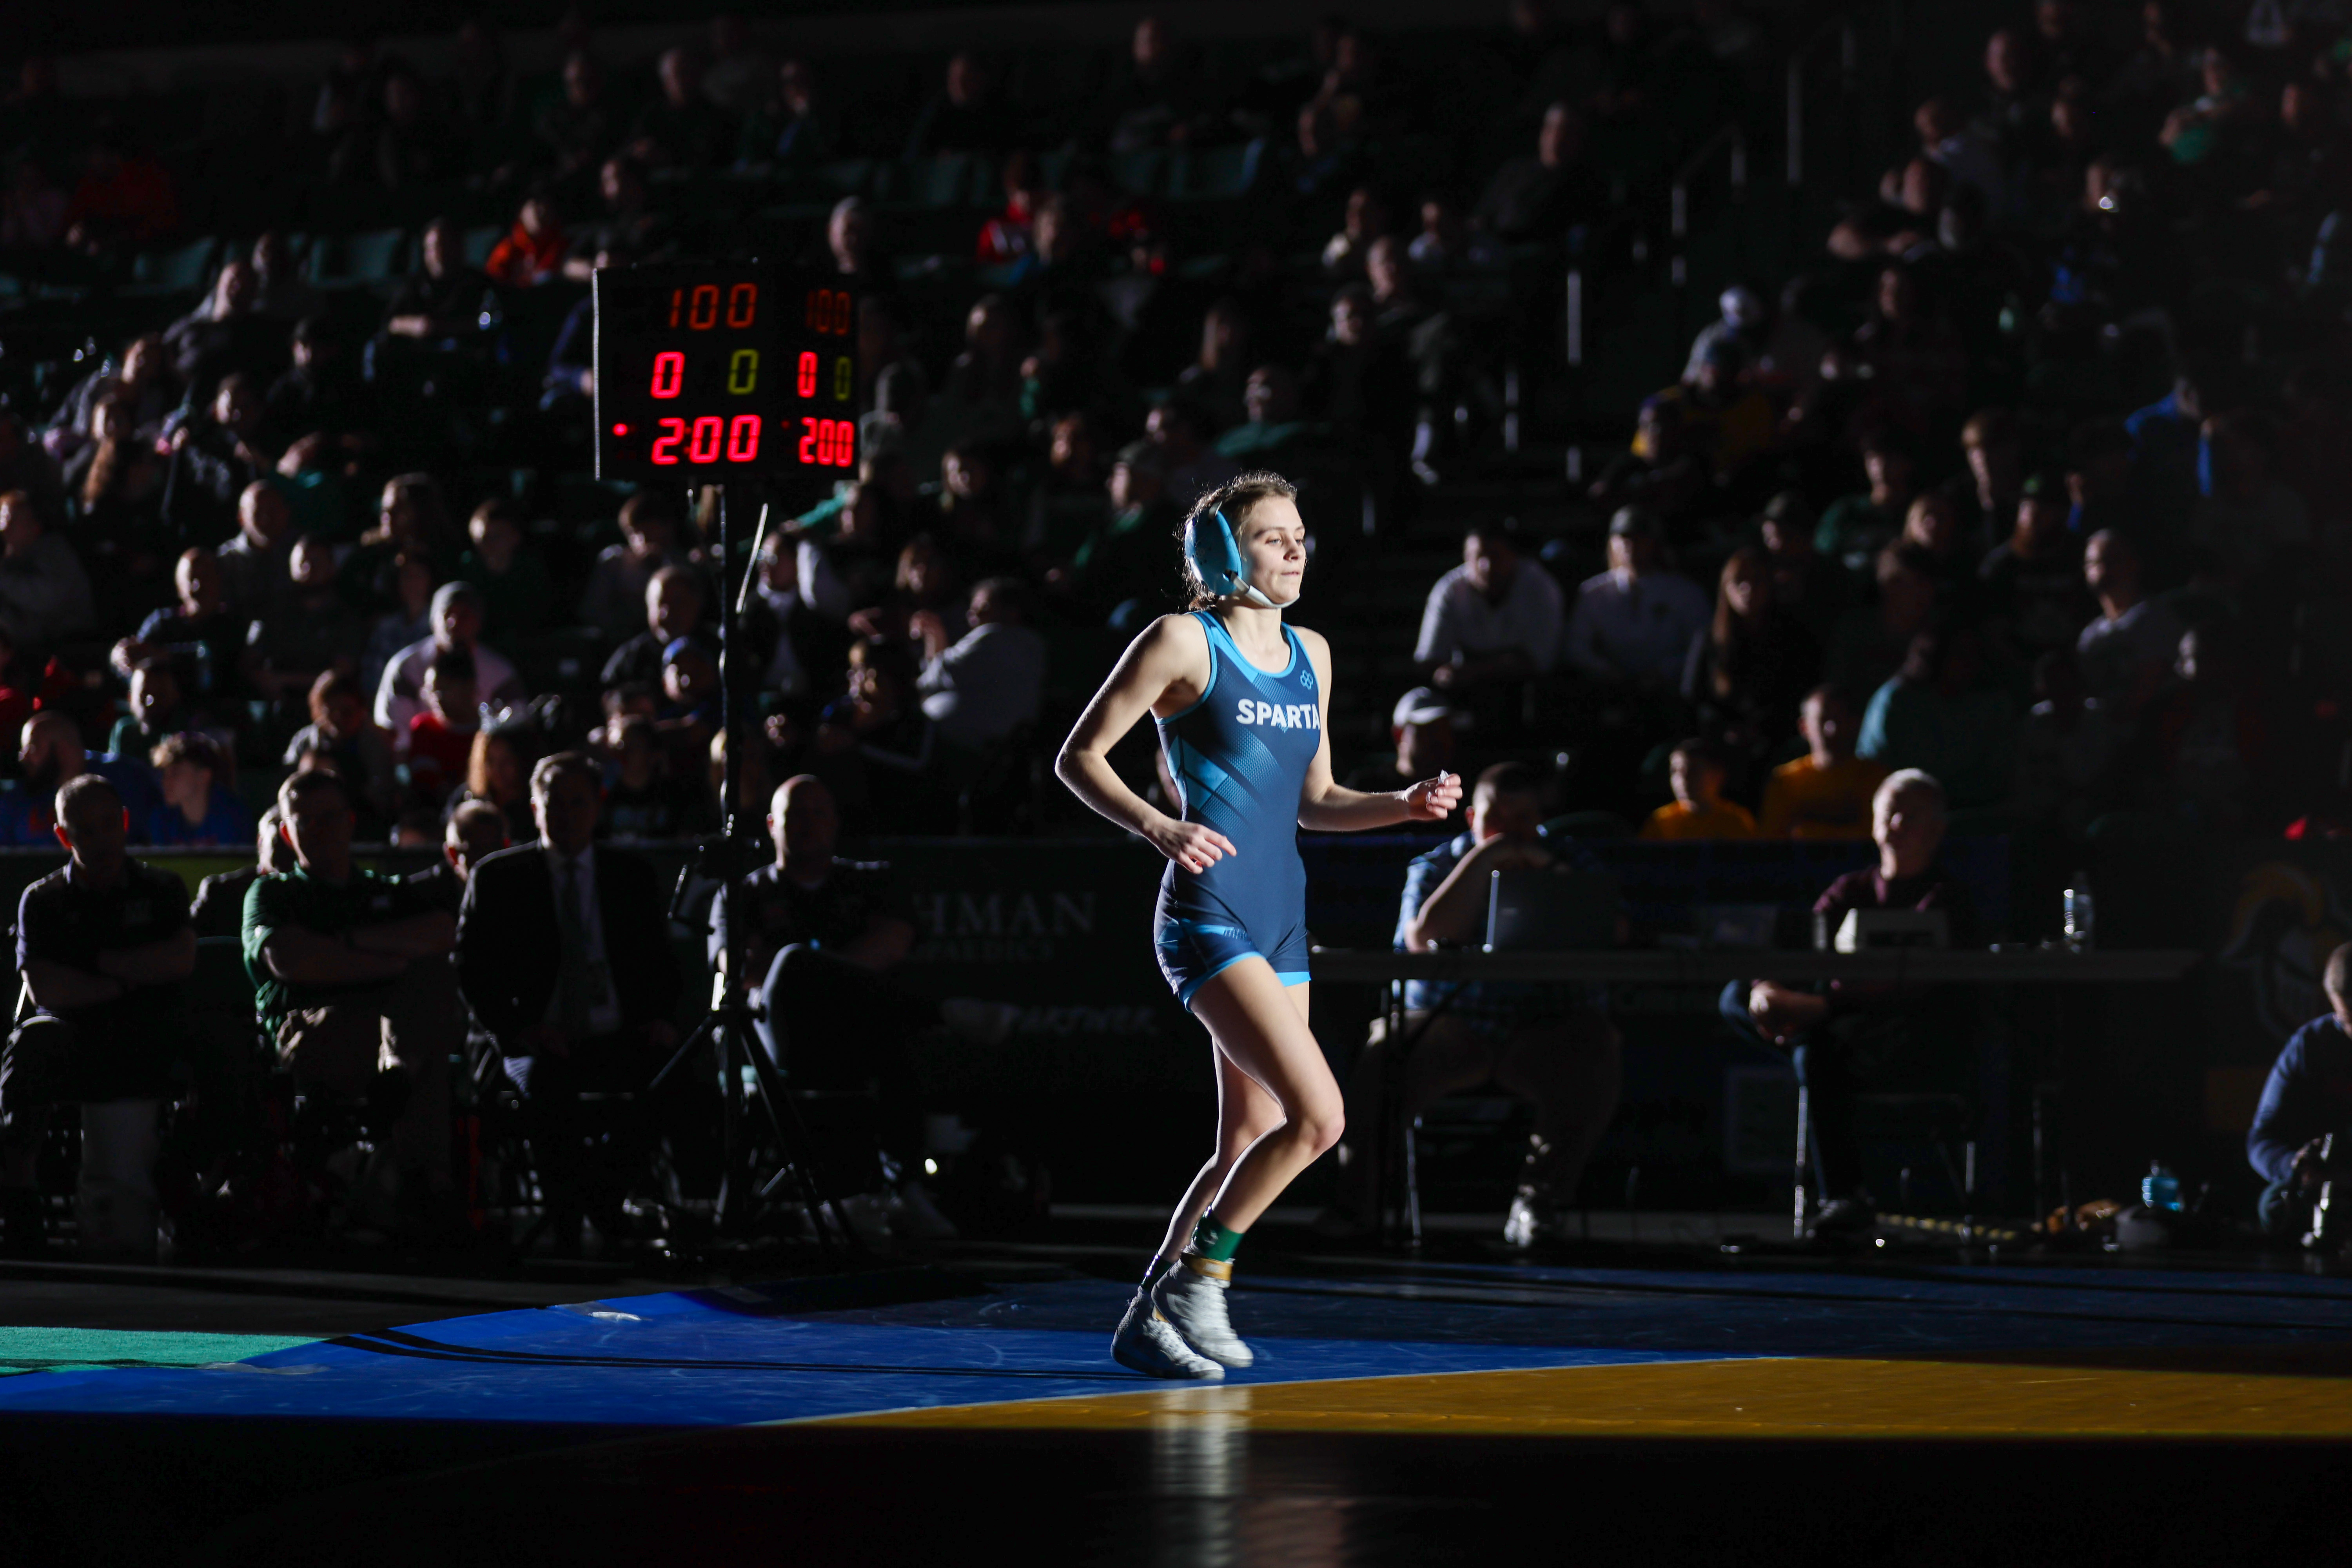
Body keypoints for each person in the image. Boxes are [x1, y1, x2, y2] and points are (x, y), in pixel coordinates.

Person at [1055, 471, 1462, 1381]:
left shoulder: (1310, 651)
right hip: (1210, 914)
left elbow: (1316, 802)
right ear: (1223, 555)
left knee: (1247, 1142)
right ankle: (1201, 1277)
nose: (1296, 549)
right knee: (1321, 1118)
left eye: (1300, 533)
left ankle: (1148, 1314)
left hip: (1284, 914)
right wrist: (1157, 824)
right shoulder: (1180, 641)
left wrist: (1400, 803)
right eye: (1275, 536)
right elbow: (1077, 755)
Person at [1324, 761, 1621, 1246]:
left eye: (1524, 820)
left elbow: (1612, 933)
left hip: (1543, 1029)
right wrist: (1489, 857)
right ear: (1471, 819)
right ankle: (1360, 1206)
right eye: (1496, 819)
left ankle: (1539, 1201)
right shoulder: (1435, 865)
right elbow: (1424, 937)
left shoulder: (1572, 861)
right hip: (1450, 1027)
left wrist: (1549, 874)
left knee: (1597, 1048)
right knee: (1383, 1056)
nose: (1511, 832)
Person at [708, 774, 1013, 1190]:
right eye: (795, 813)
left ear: (836, 821)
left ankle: (904, 1187)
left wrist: (818, 976)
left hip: (857, 1029)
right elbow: (738, 968)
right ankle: (939, 1012)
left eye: (818, 812)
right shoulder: (741, 895)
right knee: (795, 963)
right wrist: (805, 969)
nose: (808, 823)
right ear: (771, 825)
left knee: (880, 1032)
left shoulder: (872, 882)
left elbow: (893, 945)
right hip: (779, 1034)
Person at [457, 753, 704, 1243]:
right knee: (547, 1085)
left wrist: (661, 1017)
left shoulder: (630, 875)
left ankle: (603, 1199)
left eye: (577, 803)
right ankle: (571, 1222)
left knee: (675, 1078)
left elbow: (662, 961)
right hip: (533, 1038)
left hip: (616, 1032)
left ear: (599, 805)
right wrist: (519, 1029)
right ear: (534, 807)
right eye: (554, 804)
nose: (565, 815)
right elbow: (471, 971)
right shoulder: (499, 878)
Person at [1720, 770, 1975, 1239]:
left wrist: (1821, 1008)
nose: (1898, 823)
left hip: (1905, 1040)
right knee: (1739, 999)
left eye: (1912, 815)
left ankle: (1844, 1196)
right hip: (1830, 1035)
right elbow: (1797, 954)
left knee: (1816, 1050)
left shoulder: (1950, 899)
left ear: (1938, 828)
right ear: (1874, 824)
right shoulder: (1848, 891)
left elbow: (1916, 986)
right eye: (1889, 814)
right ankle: (1846, 1197)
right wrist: (1767, 991)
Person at [243, 769, 466, 1237]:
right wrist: (389, 960)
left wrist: (341, 945)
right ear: (287, 832)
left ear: (349, 822)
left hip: (389, 1037)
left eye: (329, 818)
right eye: (307, 822)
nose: (321, 831)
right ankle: (425, 1186)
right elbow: (290, 959)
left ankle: (398, 1173)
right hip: (311, 1037)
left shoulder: (382, 890)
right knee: (401, 1039)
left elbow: (442, 932)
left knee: (431, 983)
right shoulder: (274, 893)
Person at [0, 776, 199, 1255]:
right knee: (32, 1043)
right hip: (76, 1037)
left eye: (110, 825)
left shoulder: (163, 888)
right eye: (86, 831)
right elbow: (47, 987)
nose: (102, 839)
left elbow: (180, 960)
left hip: (151, 1031)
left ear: (126, 823)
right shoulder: (43, 900)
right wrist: (133, 976)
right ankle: (17, 1188)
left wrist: (97, 963)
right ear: (64, 837)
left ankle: (198, 1179)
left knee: (216, 1036)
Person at [2247, 944, 2352, 1243]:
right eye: (2347, 1020)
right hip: (2328, 1190)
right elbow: (2262, 1137)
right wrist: (2295, 1167)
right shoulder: (2310, 1045)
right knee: (2276, 1206)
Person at [1562, 506, 1710, 686]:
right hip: (1610, 689)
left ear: (1655, 543)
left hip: (1670, 689)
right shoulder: (1593, 593)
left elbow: (1701, 645)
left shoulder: (1685, 593)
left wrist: (1664, 671)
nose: (1630, 545)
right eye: (1623, 538)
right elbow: (1576, 646)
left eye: (1639, 538)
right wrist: (1606, 671)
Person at [1412, 520, 1562, 694]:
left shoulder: (1540, 586)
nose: (1487, 567)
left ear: (1513, 556)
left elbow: (1542, 660)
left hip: (1528, 689)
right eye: (1479, 556)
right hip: (1465, 692)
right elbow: (1429, 659)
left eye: (1495, 556)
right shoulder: (1449, 591)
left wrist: (1477, 670)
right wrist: (1442, 674)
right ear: (1466, 558)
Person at [373, 582, 524, 736]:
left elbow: (515, 732)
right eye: (447, 613)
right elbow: (394, 735)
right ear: (433, 620)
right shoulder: (406, 667)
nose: (455, 623)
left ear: (478, 622)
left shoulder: (501, 675)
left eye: (464, 615)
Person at [916, 575, 1046, 753]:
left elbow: (940, 674)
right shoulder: (1034, 644)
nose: (973, 613)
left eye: (984, 607)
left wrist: (935, 637)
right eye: (973, 607)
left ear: (1011, 612)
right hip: (1000, 746)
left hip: (964, 746)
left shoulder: (993, 635)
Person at [2076, 529, 2182, 720]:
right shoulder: (2090, 634)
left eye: (2111, 560)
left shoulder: (2153, 617)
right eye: (2093, 563)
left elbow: (2152, 679)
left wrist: (2118, 721)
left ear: (2133, 564)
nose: (2101, 568)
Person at [1757, 687, 1889, 840]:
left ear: (1855, 723)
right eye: (1823, 719)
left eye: (1839, 719)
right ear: (1804, 727)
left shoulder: (1878, 780)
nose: (1831, 730)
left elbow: (1878, 837)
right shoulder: (1785, 781)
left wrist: (1808, 830)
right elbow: (1771, 842)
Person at [0, 488, 95, 652]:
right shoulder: (11, 558)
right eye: (2, 520)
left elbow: (47, 601)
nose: (5, 528)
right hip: (30, 645)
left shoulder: (56, 552)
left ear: (35, 526)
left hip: (72, 643)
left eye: (13, 521)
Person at [191, 806, 289, 938]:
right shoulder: (221, 892)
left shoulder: (309, 891)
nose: (286, 849)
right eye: (278, 840)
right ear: (260, 841)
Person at [145, 731, 252, 848]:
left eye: (176, 773)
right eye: (166, 774)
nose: (166, 782)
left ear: (204, 776)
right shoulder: (162, 818)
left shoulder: (234, 817)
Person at [1344, 686, 1457, 792]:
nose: (1439, 738)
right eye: (1429, 730)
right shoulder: (1366, 788)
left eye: (1445, 729)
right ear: (1399, 734)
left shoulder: (1461, 789)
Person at [1640, 738, 1757, 840]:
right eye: (1675, 771)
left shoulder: (1736, 821)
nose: (1683, 780)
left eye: (1693, 771)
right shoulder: (1661, 822)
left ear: (1718, 775)